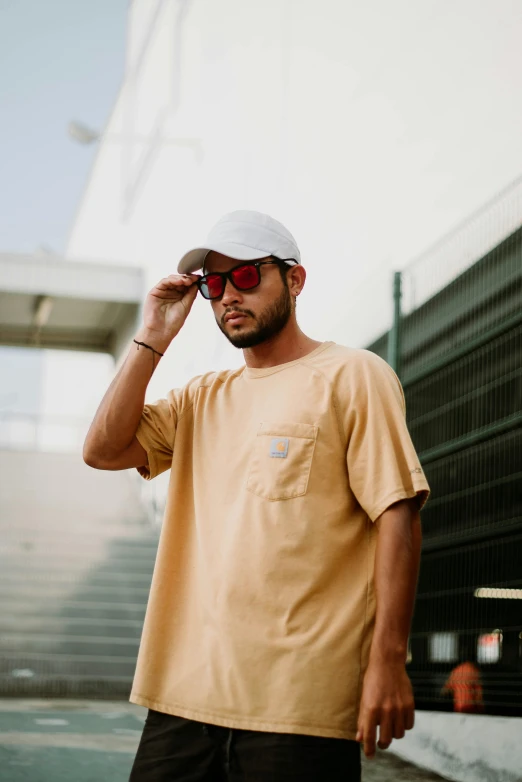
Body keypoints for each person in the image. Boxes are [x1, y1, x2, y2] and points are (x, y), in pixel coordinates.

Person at [84, 210, 430, 782]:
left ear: (294, 280)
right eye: (213, 285)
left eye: (245, 277)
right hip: (182, 697)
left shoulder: (353, 374)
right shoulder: (199, 398)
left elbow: (397, 514)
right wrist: (153, 336)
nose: (227, 298)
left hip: (298, 705)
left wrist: (388, 661)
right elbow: (102, 449)